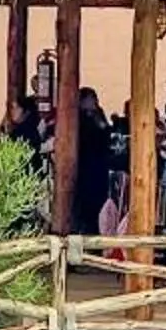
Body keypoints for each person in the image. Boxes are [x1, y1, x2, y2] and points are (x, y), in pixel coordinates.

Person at [68, 87, 115, 233]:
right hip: (86, 165)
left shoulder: (98, 115)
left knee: (98, 203)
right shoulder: (78, 117)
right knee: (85, 204)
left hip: (99, 166)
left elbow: (105, 134)